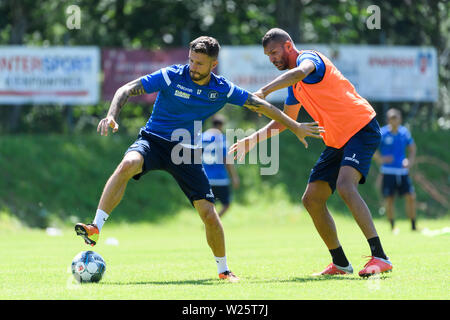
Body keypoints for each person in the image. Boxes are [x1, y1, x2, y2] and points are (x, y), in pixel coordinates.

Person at [74, 36, 323, 282]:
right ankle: (95, 227)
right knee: (128, 163)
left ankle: (224, 270)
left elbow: (260, 105)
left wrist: (294, 126)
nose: (193, 67)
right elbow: (125, 89)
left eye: (199, 63)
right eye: (191, 60)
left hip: (186, 150)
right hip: (153, 140)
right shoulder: (172, 75)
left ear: (213, 65)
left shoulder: (222, 89)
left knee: (208, 213)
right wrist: (112, 115)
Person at [229, 28, 392, 277]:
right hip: (337, 141)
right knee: (311, 199)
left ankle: (380, 257)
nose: (272, 59)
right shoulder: (294, 88)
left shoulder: (310, 60)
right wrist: (251, 140)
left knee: (346, 186)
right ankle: (340, 263)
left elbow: (300, 72)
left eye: (274, 52)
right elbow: (284, 121)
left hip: (361, 128)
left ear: (288, 45)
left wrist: (264, 91)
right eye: (267, 56)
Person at [373, 108, 417, 232]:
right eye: (391, 118)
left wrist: (410, 161)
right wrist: (380, 159)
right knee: (389, 199)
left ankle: (413, 226)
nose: (394, 120)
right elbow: (372, 148)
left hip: (403, 172)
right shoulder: (382, 133)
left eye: (396, 117)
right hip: (388, 172)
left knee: (411, 197)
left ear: (400, 119)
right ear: (388, 119)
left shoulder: (404, 133)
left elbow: (412, 148)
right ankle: (392, 226)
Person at [202, 115, 239, 217]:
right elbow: (226, 159)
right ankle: (213, 222)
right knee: (226, 204)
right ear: (221, 125)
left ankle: (209, 222)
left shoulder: (201, 137)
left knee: (207, 204)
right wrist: (234, 177)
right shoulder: (221, 138)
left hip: (205, 178)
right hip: (220, 178)